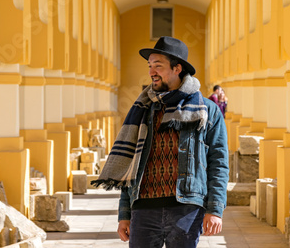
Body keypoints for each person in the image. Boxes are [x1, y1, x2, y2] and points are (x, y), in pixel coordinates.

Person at [93, 36, 229, 248]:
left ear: (177, 68)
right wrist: (124, 213)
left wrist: (215, 209)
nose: (151, 72)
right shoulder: (143, 109)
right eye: (149, 66)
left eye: (158, 66)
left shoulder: (207, 111)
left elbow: (218, 162)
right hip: (143, 208)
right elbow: (130, 163)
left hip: (187, 208)